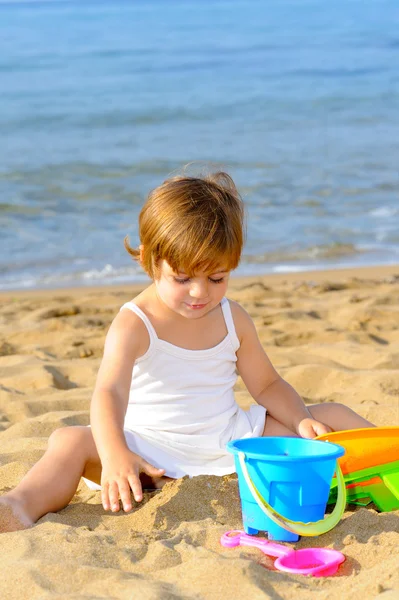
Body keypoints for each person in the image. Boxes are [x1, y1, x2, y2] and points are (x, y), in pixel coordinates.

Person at [0, 170, 374, 532]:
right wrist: (115, 455)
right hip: (149, 456)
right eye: (182, 278)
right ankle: (19, 505)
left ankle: (387, 464)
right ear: (149, 261)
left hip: (231, 446)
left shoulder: (233, 318)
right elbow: (108, 392)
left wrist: (299, 419)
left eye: (217, 278)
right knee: (69, 442)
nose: (201, 293)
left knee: (332, 414)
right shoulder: (136, 322)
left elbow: (267, 385)